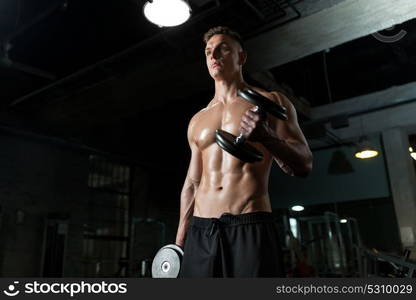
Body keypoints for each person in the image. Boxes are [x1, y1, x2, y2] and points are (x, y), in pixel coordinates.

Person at [175, 26, 313, 277]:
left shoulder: (271, 102)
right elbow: (192, 184)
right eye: (208, 51)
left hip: (249, 225)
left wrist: (267, 136)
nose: (214, 55)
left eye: (223, 48)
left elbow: (304, 165)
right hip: (201, 232)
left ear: (242, 57)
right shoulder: (198, 119)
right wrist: (179, 244)